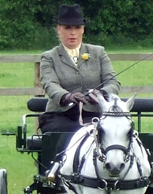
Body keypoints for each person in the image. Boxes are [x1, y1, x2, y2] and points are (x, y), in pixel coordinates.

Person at [38, 3, 120, 134]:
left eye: (77, 27)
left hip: (95, 114)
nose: (73, 33)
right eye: (67, 28)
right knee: (66, 133)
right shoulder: (49, 57)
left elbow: (113, 82)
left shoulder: (98, 52)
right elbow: (50, 84)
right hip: (61, 116)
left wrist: (101, 95)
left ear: (83, 30)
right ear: (59, 29)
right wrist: (67, 96)